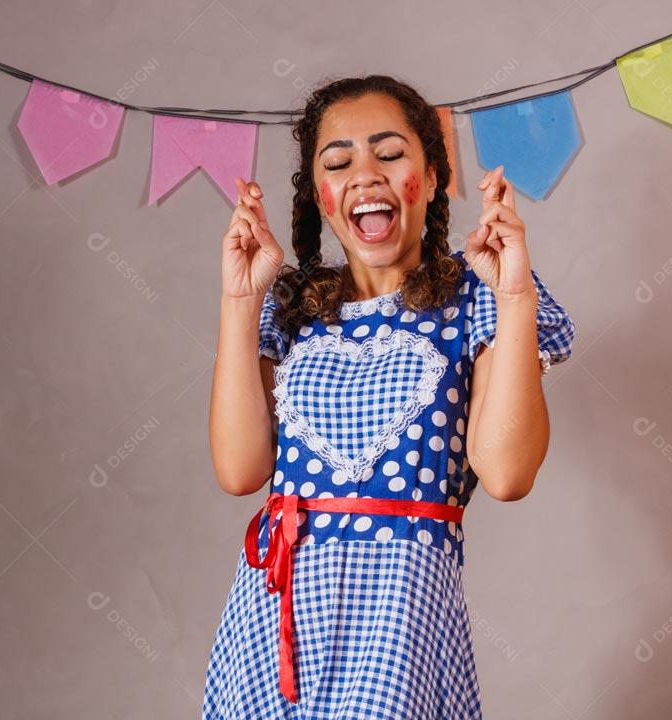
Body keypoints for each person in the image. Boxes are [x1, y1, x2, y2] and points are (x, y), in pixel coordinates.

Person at [203, 75, 577, 718]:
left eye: (390, 153)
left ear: (433, 177)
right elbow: (240, 472)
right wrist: (241, 302)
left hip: (400, 626)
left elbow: (509, 474)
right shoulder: (291, 310)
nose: (365, 174)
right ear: (320, 197)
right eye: (339, 162)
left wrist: (515, 298)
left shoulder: (478, 299)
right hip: (275, 621)